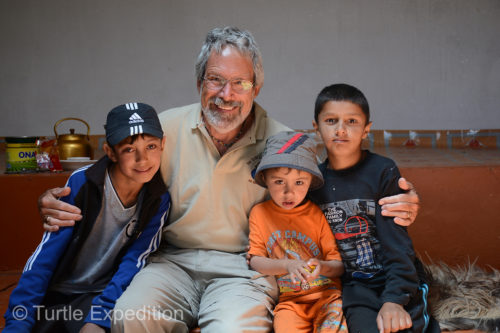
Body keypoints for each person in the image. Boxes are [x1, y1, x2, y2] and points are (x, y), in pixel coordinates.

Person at [37, 27, 421, 332]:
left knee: (237, 328)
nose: (227, 94)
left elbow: (340, 181)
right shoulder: (165, 130)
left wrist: (401, 197)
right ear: (199, 82)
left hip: (245, 268)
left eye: (241, 83)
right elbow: (112, 171)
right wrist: (59, 198)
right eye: (215, 80)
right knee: (131, 317)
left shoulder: (284, 142)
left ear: (258, 87)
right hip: (170, 260)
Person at [3, 103, 170, 333]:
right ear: (110, 152)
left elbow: (134, 261)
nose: (143, 159)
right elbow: (43, 259)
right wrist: (17, 323)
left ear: (163, 145)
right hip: (59, 293)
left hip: (101, 295)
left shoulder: (158, 198)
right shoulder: (82, 184)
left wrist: (99, 318)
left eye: (151, 146)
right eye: (129, 149)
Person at [309, 83, 439, 333]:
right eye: (331, 120)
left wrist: (394, 300)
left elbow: (397, 243)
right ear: (316, 127)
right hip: (356, 286)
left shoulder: (382, 171)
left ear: (366, 129)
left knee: (408, 325)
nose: (341, 129)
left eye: (352, 121)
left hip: (397, 275)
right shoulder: (315, 183)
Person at [248, 131, 347, 333]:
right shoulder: (259, 213)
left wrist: (321, 266)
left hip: (327, 297)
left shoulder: (317, 214)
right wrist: (288, 265)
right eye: (279, 182)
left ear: (310, 181)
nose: (289, 192)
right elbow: (255, 260)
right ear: (265, 178)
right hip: (289, 303)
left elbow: (339, 266)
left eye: (299, 182)